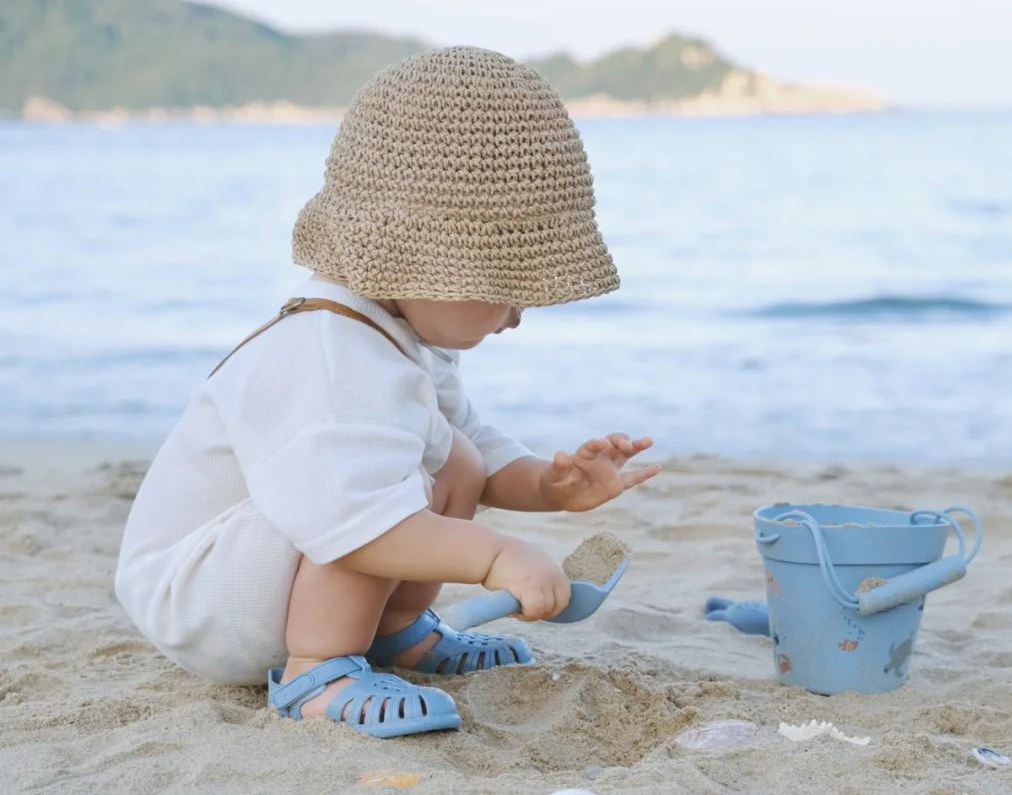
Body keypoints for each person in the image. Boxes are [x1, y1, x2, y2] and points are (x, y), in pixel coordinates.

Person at [115, 47, 658, 738]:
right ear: (430, 258)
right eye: (508, 287)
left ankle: (392, 635)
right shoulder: (332, 356)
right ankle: (319, 670)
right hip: (201, 599)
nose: (519, 315)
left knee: (450, 454)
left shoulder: (392, 333)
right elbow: (359, 519)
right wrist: (496, 555)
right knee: (374, 497)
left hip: (262, 574)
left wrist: (550, 489)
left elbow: (475, 452)